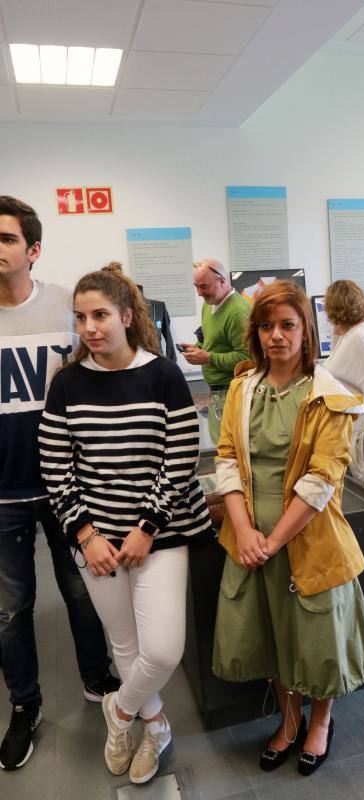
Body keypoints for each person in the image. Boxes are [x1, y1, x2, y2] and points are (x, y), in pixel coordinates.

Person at [39, 263, 213, 784]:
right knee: (126, 646)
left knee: (161, 649)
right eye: (80, 318)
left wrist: (147, 527)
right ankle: (155, 723)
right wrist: (85, 535)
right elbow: (55, 464)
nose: (89, 328)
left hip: (159, 534)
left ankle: (118, 710)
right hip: (95, 542)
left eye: (100, 315)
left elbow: (180, 455)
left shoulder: (162, 374)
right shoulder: (66, 383)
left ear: (127, 316)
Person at [212, 280, 364, 776]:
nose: (276, 336)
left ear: (308, 330)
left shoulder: (331, 397)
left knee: (315, 635)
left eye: (287, 325)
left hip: (306, 535)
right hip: (250, 533)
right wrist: (243, 531)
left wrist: (272, 540)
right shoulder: (243, 389)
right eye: (266, 326)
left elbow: (321, 480)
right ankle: (288, 720)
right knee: (274, 631)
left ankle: (320, 722)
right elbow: (226, 460)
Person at [0, 196, 118, 771]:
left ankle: (98, 677)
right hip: (2, 496)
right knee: (11, 609)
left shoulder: (67, 313)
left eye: (5, 238)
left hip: (65, 487)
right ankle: (25, 707)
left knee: (80, 591)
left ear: (33, 249)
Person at [181, 259, 251, 390]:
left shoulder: (239, 313)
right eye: (196, 286)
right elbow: (211, 339)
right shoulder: (209, 303)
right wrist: (197, 348)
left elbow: (247, 358)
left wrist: (208, 358)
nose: (199, 293)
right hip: (215, 385)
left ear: (222, 281)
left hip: (234, 387)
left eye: (204, 286)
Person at [323, 279, 364, 405]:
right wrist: (337, 328)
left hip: (358, 420)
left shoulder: (360, 337)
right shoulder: (351, 333)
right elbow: (333, 361)